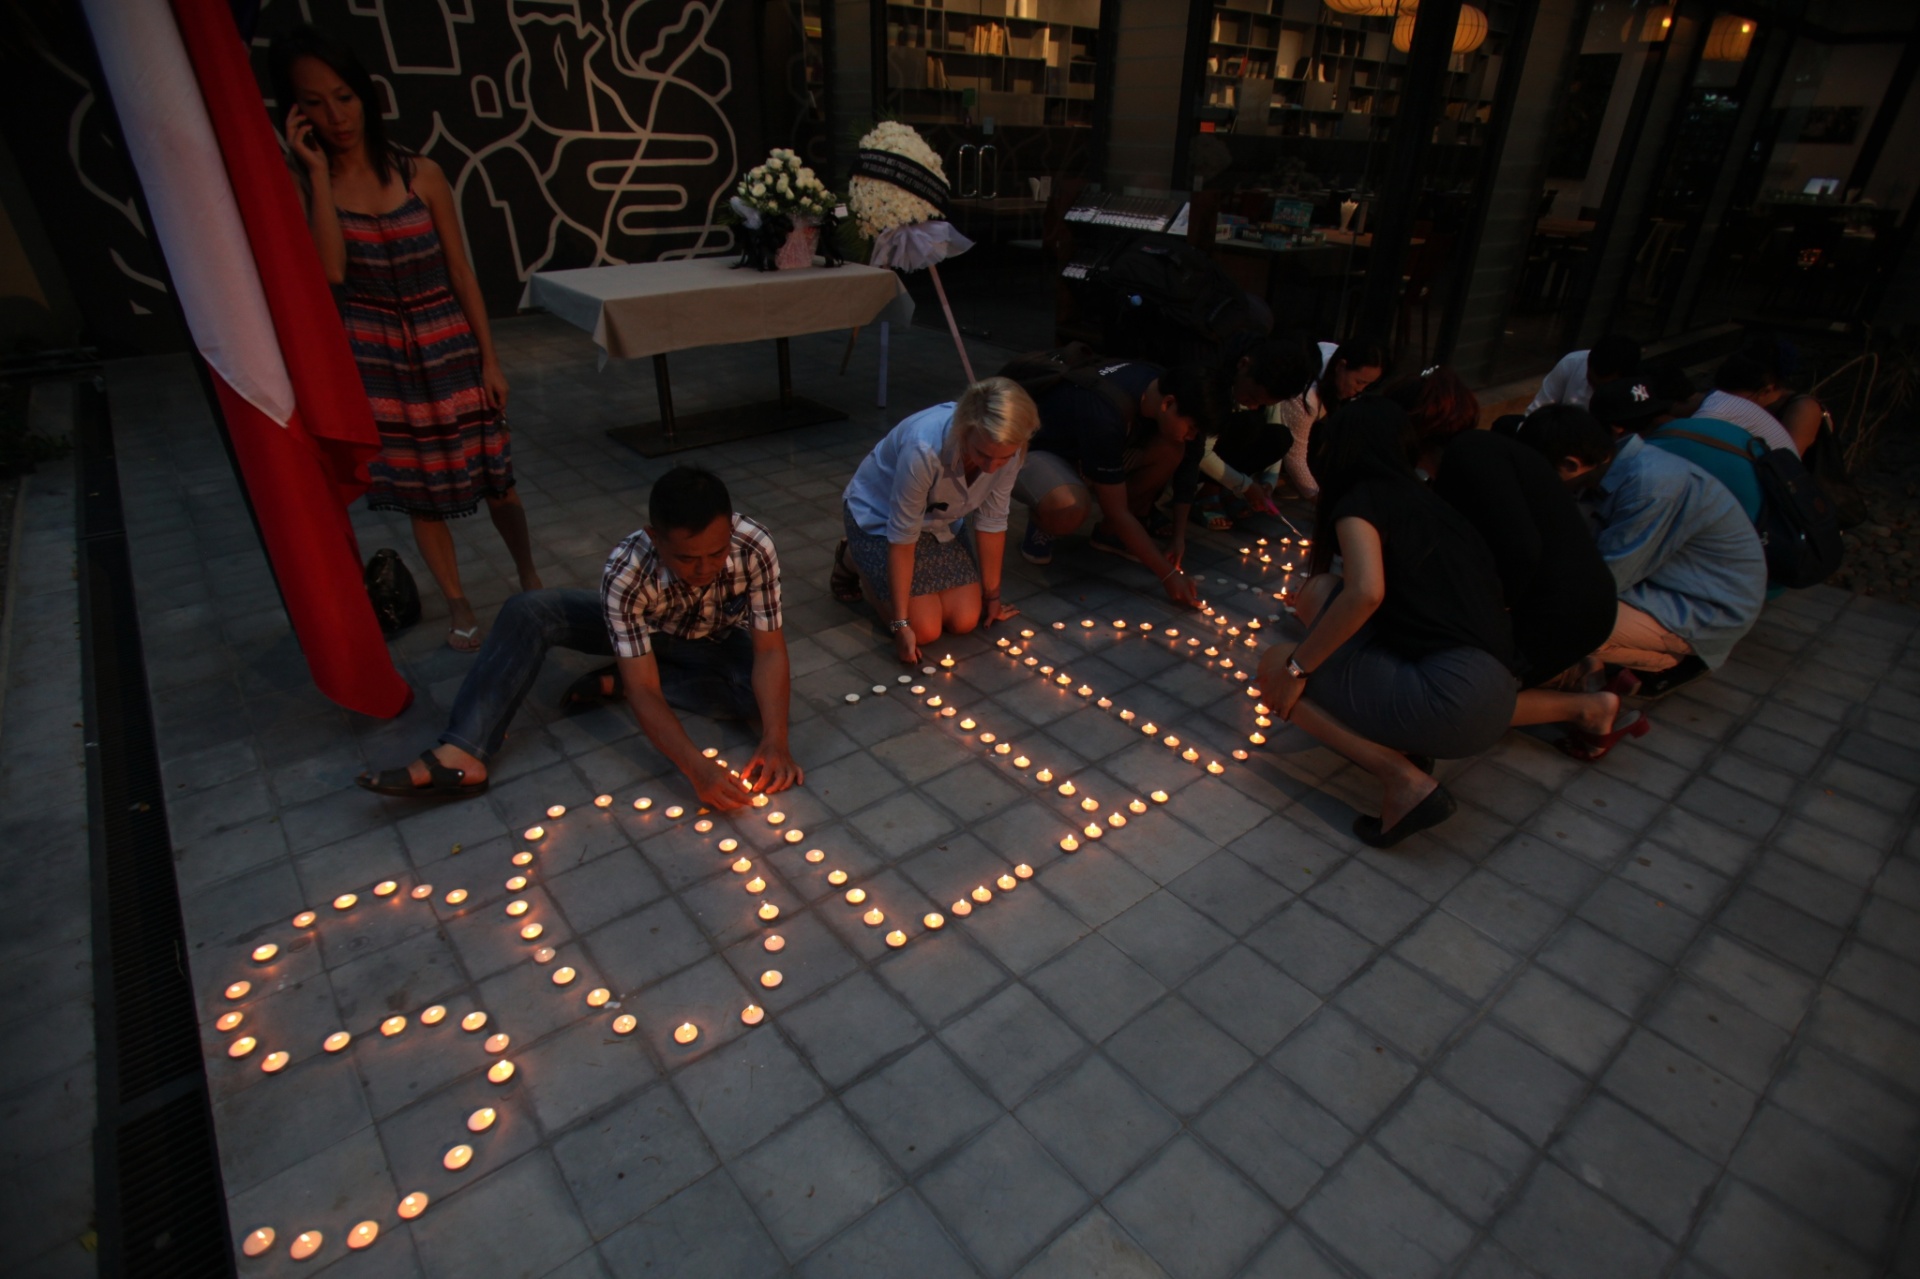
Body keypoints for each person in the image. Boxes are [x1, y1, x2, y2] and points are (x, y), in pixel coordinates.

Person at [276, 26, 540, 651]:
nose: (335, 116)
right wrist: (315, 176)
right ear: (294, 112)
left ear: (365, 95)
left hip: (445, 337)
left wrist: (490, 358)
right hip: (378, 354)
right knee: (421, 492)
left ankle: (528, 573)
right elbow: (331, 273)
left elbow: (459, 269)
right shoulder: (306, 189)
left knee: (497, 478)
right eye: (314, 102)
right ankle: (456, 602)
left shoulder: (420, 173)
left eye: (343, 96)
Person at [356, 468, 802, 811]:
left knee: (754, 697)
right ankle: (464, 748)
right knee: (530, 611)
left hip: (707, 639)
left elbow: (769, 651)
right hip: (640, 631)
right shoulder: (627, 570)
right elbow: (646, 691)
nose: (705, 570)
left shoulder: (753, 546)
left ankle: (621, 678)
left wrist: (776, 740)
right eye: (687, 558)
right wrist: (694, 766)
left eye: (716, 553)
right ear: (653, 539)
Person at [1256, 401, 1518, 848]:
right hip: (1497, 689)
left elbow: (1366, 592)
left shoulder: (1361, 502)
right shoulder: (1425, 500)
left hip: (1451, 698)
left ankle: (1403, 781)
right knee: (1320, 590)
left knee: (1274, 665)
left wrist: (1298, 669)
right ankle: (1409, 744)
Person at [1516, 406, 1766, 697]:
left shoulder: (1652, 487)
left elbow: (1604, 580)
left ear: (1571, 465)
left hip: (1704, 608)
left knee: (1556, 621)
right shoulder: (1606, 466)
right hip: (1658, 581)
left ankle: (1668, 662)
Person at [832, 378, 1038, 662]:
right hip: (881, 518)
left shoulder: (1009, 448)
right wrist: (900, 625)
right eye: (982, 454)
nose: (992, 467)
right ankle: (854, 555)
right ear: (965, 430)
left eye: (1003, 458)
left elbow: (992, 520)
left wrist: (992, 597)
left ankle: (879, 570)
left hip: (938, 523)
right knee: (924, 630)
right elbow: (903, 536)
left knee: (965, 619)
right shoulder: (924, 449)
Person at [1013, 358, 1213, 608]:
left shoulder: (1163, 383)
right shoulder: (1104, 411)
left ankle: (1110, 535)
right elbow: (1116, 510)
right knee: (1069, 508)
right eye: (1192, 427)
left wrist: (1178, 536)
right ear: (1168, 403)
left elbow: (1188, 467)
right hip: (1039, 450)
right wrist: (1168, 575)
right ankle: (1044, 519)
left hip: (1091, 450)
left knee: (1174, 449)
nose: (1192, 435)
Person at [1193, 332, 1323, 529]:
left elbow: (1276, 424)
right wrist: (1246, 486)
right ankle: (1208, 493)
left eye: (1262, 402)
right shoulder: (1216, 380)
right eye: (1252, 397)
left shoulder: (1271, 385)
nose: (1254, 405)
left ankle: (1226, 489)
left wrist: (1269, 482)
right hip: (1196, 454)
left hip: (1225, 448)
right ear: (1243, 365)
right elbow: (1202, 451)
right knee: (1250, 422)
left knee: (1281, 436)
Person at [1592, 378, 1763, 521]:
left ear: (1616, 429)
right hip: (1774, 513)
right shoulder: (1709, 424)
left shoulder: (1654, 454)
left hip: (1757, 533)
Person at [1269, 338, 1387, 501]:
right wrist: (1318, 499)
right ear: (1341, 366)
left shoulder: (1336, 367)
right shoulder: (1307, 397)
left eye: (1367, 385)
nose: (1359, 390)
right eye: (1359, 382)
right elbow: (1295, 456)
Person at [1696, 348, 1809, 456]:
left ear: (1765, 391)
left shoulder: (1803, 407)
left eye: (1736, 401)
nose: (1726, 404)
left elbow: (1791, 461)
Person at [1524, 333, 1641, 414]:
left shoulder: (1636, 391)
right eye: (1591, 382)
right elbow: (1538, 409)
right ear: (1588, 363)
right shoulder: (1573, 363)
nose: (1595, 390)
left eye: (1602, 388)